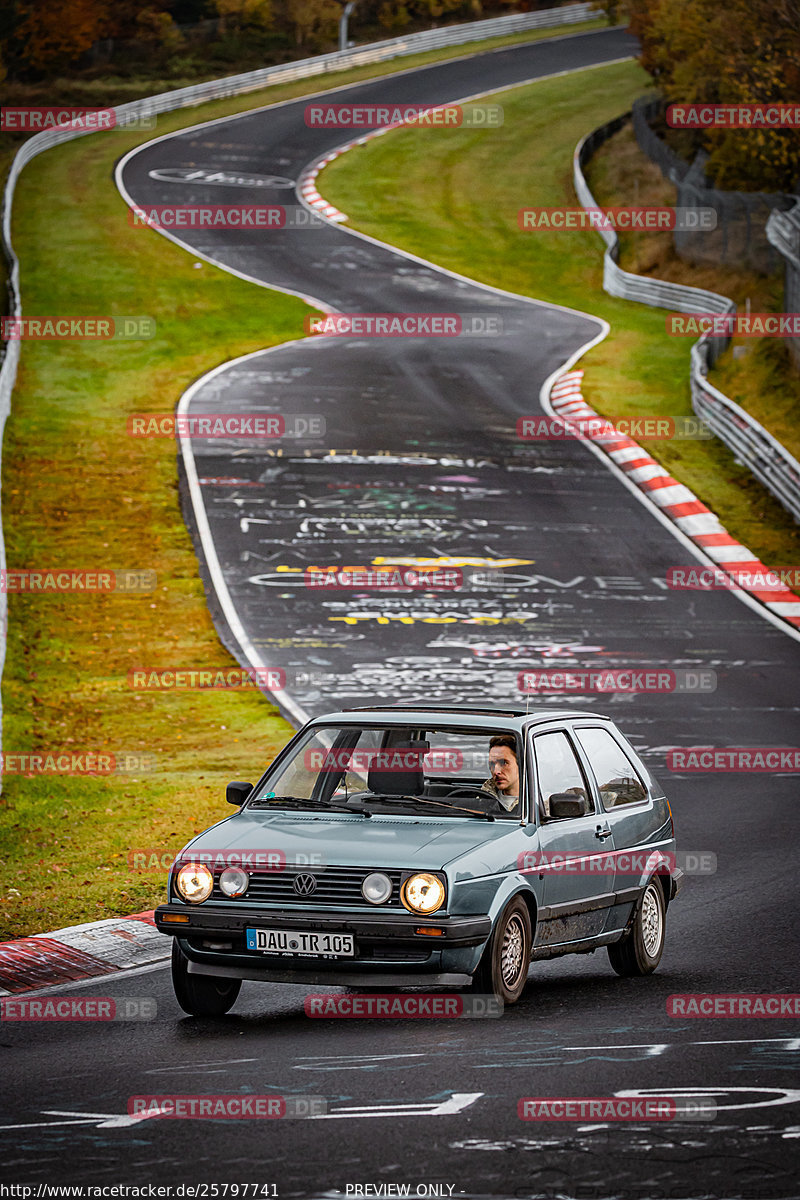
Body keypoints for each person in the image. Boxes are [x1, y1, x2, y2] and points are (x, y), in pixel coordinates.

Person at [481, 734, 520, 812]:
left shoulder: (541, 805)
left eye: (504, 763)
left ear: (520, 765)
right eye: (492, 764)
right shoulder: (480, 801)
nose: (496, 771)